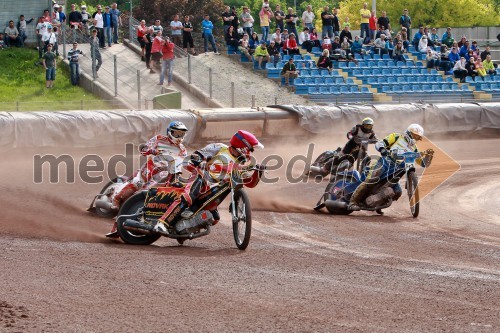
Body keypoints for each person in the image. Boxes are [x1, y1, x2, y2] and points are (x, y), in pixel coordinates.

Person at [152, 130, 263, 234]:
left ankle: (182, 231)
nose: (250, 152)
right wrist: (198, 159)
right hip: (202, 177)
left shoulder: (243, 163)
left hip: (215, 188)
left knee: (214, 218)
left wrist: (258, 173)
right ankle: (162, 223)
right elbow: (197, 155)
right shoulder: (219, 147)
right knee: (189, 196)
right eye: (251, 149)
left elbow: (249, 183)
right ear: (243, 146)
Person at [348, 124, 433, 211]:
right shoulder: (396, 137)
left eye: (418, 137)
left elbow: (423, 163)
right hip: (384, 164)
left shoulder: (414, 148)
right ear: (409, 133)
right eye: (415, 135)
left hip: (393, 175)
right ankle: (353, 202)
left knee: (398, 192)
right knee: (371, 180)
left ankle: (378, 204)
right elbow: (379, 143)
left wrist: (428, 157)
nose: (416, 139)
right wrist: (382, 149)